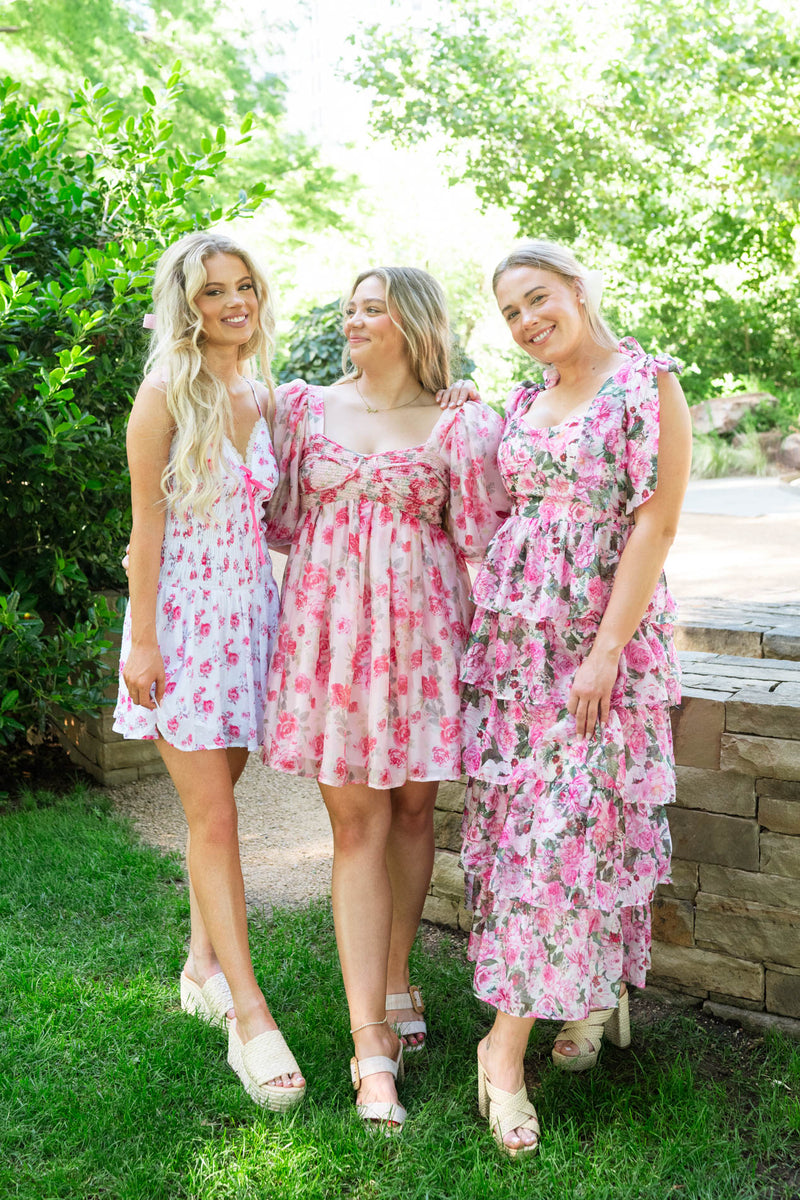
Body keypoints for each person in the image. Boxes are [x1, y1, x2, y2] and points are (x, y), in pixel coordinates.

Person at [451, 240, 692, 1155]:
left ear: (579, 291)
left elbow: (656, 521)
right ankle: (588, 997)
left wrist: (605, 653)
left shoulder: (645, 384)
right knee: (533, 833)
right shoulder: (520, 401)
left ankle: (501, 1050)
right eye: (511, 312)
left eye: (538, 298)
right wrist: (460, 413)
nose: (526, 321)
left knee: (573, 829)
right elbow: (498, 502)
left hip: (600, 648)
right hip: (517, 649)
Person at [263, 266, 508, 1130]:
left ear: (411, 322)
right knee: (357, 826)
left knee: (413, 816)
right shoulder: (302, 410)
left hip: (424, 644)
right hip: (333, 647)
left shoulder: (458, 421)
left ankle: (399, 976)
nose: (353, 319)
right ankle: (371, 1045)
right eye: (350, 308)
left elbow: (482, 533)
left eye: (372, 308)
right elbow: (278, 517)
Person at [113, 231, 305, 1111]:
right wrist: (141, 643)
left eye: (243, 288)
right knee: (216, 818)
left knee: (218, 804)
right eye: (213, 292)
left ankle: (200, 968)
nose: (233, 303)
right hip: (185, 627)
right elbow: (143, 536)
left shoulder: (261, 394)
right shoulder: (163, 396)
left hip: (249, 620)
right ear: (186, 305)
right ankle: (251, 1020)